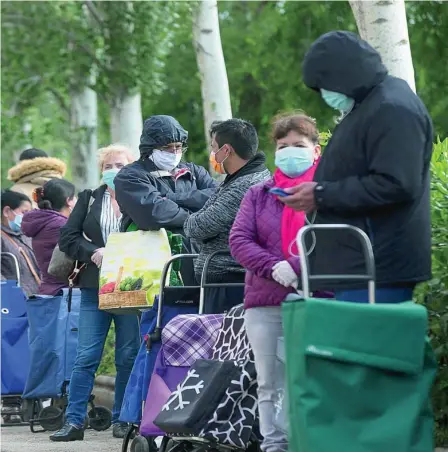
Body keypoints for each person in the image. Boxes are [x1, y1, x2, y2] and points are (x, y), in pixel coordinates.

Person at [282, 31, 434, 303]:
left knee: (373, 343)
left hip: (377, 265)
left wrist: (321, 194)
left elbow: (397, 183)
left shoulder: (392, 108)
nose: (325, 94)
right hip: (360, 265)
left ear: (343, 75)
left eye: (324, 86)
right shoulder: (370, 105)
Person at [229, 112, 322, 452]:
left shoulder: (327, 196)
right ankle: (274, 445)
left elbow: (331, 239)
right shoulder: (258, 193)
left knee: (311, 377)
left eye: (299, 145)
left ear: (316, 149)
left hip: (317, 298)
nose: (290, 151)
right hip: (265, 301)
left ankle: (310, 442)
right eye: (283, 146)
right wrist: (275, 267)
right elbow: (239, 240)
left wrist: (297, 266)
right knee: (269, 382)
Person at [51, 145, 139, 442]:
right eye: (109, 165)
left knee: (128, 355)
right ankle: (74, 422)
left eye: (121, 164)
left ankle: (123, 420)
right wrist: (93, 252)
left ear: (132, 167)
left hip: (131, 288)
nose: (115, 169)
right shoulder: (90, 198)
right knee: (86, 356)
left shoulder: (141, 197)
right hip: (94, 288)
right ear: (102, 170)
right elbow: (68, 237)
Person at [184, 119, 270, 314]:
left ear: (227, 150)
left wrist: (193, 222)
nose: (213, 154)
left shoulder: (246, 185)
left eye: (214, 148)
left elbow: (198, 226)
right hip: (224, 280)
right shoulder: (236, 179)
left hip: (230, 281)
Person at [114, 115, 217, 237]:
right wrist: (202, 217)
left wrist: (172, 198)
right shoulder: (129, 176)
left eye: (178, 146)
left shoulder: (194, 171)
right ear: (150, 148)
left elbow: (218, 197)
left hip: (197, 252)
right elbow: (155, 214)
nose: (174, 152)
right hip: (151, 253)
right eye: (167, 147)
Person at [21, 179, 77, 296]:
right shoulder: (61, 225)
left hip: (50, 289)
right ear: (69, 201)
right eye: (74, 197)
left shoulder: (43, 221)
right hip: (64, 292)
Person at [1, 189, 40, 296]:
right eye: (24, 212)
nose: (28, 217)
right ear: (6, 211)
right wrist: (11, 293)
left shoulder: (26, 235)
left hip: (35, 298)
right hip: (14, 301)